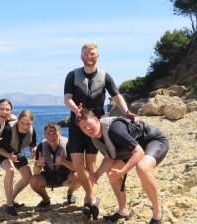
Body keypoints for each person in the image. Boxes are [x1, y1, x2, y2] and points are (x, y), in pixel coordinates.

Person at [63, 43, 138, 220]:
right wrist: (77, 111)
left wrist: (127, 112)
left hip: (95, 127)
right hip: (76, 125)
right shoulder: (72, 75)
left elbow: (116, 96)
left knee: (91, 163)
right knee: (78, 165)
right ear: (81, 57)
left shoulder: (105, 76)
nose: (89, 56)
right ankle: (90, 197)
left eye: (93, 53)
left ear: (98, 56)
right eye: (86, 54)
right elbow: (67, 98)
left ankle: (90, 198)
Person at [76, 108, 168, 224]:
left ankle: (157, 214)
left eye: (89, 124)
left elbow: (138, 152)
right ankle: (123, 210)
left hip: (153, 141)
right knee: (111, 170)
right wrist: (97, 174)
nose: (88, 129)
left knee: (142, 168)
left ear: (95, 119)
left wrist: (123, 171)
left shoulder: (114, 129)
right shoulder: (95, 139)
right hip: (132, 149)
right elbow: (110, 156)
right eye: (84, 128)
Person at [0, 109, 37, 216]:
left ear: (32, 123)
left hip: (15, 151)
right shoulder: (8, 129)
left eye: (28, 124)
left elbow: (32, 146)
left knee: (27, 177)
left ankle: (11, 199)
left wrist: (33, 151)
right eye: (22, 122)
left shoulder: (32, 131)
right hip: (1, 151)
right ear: (18, 120)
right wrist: (8, 156)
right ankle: (9, 205)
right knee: (10, 170)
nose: (25, 126)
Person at [29, 122, 81, 208]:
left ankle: (70, 194)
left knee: (78, 176)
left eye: (54, 134)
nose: (51, 137)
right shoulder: (41, 146)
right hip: (49, 177)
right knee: (33, 180)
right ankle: (46, 200)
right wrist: (37, 164)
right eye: (48, 134)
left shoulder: (68, 144)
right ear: (44, 135)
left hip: (66, 177)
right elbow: (36, 173)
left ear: (59, 133)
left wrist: (64, 161)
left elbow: (77, 168)